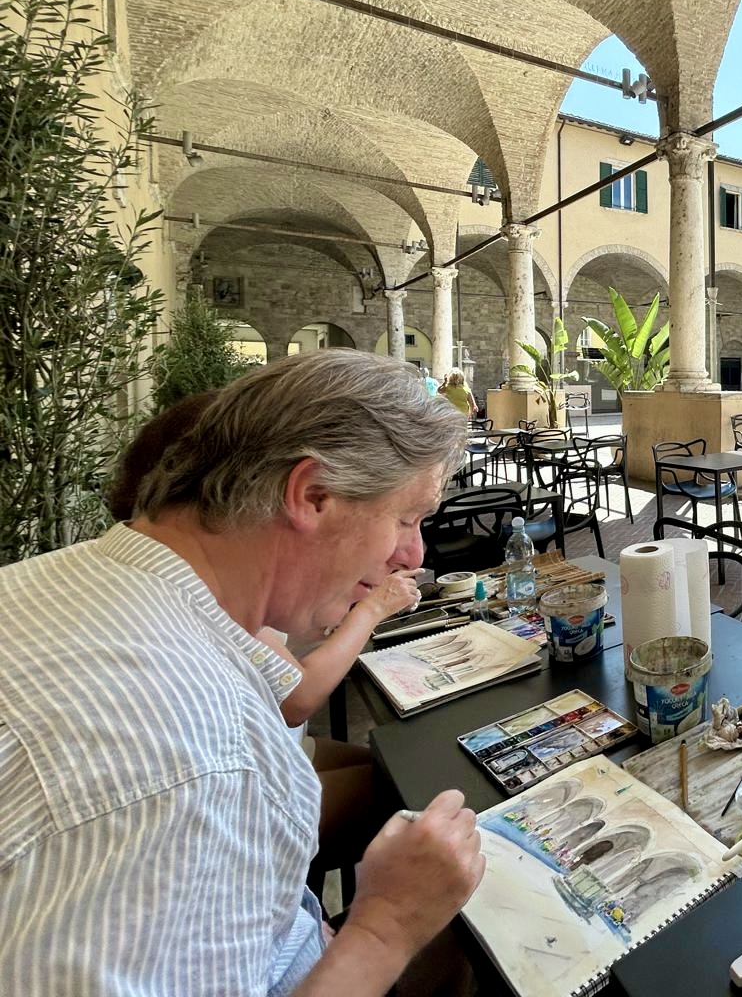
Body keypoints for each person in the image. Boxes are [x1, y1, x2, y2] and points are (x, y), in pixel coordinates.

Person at [0, 350, 484, 995]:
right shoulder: (192, 763)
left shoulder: (62, 582)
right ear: (311, 495)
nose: (413, 553)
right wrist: (386, 926)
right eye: (405, 518)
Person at [104, 393, 421, 875]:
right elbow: (298, 696)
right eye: (404, 519)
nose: (412, 550)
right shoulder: (198, 593)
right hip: (263, 766)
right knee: (410, 793)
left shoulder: (158, 574)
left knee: (391, 764)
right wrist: (371, 607)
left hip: (280, 748)